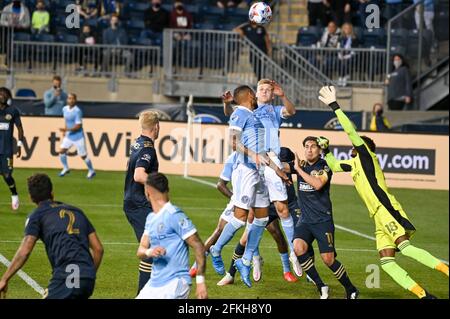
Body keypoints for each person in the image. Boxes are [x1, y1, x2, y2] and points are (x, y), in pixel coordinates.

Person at [317, 85, 449, 299]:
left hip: (386, 208)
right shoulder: (355, 164)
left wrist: (335, 106)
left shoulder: (367, 156)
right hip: (377, 216)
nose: (352, 148)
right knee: (386, 262)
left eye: (355, 147)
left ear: (363, 147)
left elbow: (350, 131)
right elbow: (333, 166)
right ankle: (424, 295)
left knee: (405, 248)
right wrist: (326, 151)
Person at [209, 85, 289, 288]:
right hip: (245, 171)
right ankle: (216, 249)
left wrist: (277, 171)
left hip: (260, 172)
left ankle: (245, 262)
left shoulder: (252, 116)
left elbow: (261, 150)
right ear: (251, 96)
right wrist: (253, 155)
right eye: (255, 94)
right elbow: (234, 142)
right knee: (240, 217)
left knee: (261, 218)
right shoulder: (240, 115)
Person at [223, 79, 301, 277]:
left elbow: (291, 111)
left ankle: (294, 254)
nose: (265, 92)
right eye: (261, 89)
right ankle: (254, 257)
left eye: (268, 90)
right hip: (252, 163)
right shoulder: (248, 110)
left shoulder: (274, 111)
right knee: (251, 215)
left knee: (283, 209)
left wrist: (283, 95)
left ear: (272, 94)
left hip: (270, 160)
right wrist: (227, 104)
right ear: (254, 94)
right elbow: (232, 119)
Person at [0, 173, 104, 299]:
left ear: (31, 198)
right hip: (88, 278)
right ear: (52, 193)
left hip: (67, 277)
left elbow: (25, 251)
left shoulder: (37, 215)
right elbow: (98, 249)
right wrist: (88, 273)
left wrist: (4, 278)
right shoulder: (77, 212)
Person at [284, 136, 358, 299]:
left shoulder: (325, 166)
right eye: (307, 146)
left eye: (313, 146)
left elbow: (317, 184)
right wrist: (263, 157)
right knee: (298, 248)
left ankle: (351, 288)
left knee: (328, 260)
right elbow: (281, 168)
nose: (309, 149)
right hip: (305, 221)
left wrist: (298, 170)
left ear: (319, 150)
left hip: (322, 221)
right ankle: (321, 286)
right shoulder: (300, 165)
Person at [217, 147, 303, 286]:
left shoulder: (280, 162)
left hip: (289, 204)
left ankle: (291, 266)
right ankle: (233, 273)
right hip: (267, 206)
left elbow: (301, 168)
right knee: (247, 236)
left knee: (300, 236)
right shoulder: (255, 164)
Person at [136, 172, 208, 299]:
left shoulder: (174, 215)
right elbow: (140, 251)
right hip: (154, 284)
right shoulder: (151, 218)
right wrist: (150, 251)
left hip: (176, 283)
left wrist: (200, 281)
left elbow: (198, 245)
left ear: (148, 191)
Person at [123, 110, 160, 294]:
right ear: (157, 127)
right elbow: (138, 175)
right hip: (138, 204)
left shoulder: (137, 143)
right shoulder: (148, 149)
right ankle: (143, 294)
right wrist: (158, 187)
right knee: (150, 249)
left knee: (153, 247)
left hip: (134, 201)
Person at [58, 93, 96, 179]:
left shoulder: (77, 111)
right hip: (69, 136)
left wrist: (66, 130)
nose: (70, 100)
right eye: (69, 98)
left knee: (83, 156)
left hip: (78, 136)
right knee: (61, 151)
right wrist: (65, 130)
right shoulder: (64, 109)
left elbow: (78, 126)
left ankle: (91, 170)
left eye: (72, 99)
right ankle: (66, 168)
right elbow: (67, 121)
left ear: (75, 100)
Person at [0, 87, 24, 211]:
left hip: (7, 150)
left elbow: (20, 128)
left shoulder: (13, 111)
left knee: (7, 175)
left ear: (8, 97)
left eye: (5, 94)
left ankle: (14, 194)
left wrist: (19, 144)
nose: (2, 96)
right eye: (0, 94)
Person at [337, 22, 359, 86]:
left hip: (351, 56)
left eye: (348, 28)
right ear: (343, 29)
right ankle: (341, 77)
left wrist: (347, 56)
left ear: (351, 29)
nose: (347, 29)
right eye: (345, 28)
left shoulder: (354, 38)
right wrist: (340, 55)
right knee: (339, 61)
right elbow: (338, 48)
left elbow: (354, 51)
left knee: (346, 62)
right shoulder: (340, 38)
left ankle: (345, 78)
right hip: (341, 56)